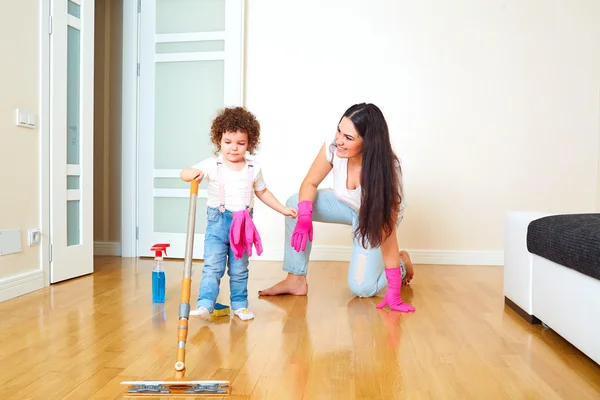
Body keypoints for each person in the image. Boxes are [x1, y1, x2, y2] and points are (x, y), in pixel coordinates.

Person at [258, 103, 415, 313]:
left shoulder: (386, 173)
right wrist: (304, 216)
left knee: (363, 288)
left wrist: (394, 290)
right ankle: (295, 279)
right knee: (296, 204)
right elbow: (310, 183)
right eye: (339, 130)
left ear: (368, 143)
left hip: (372, 217)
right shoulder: (334, 147)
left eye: (348, 138)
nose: (339, 140)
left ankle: (403, 264)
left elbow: (388, 237)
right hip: (345, 204)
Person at [180, 106, 297, 321]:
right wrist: (191, 174)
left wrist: (283, 209)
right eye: (228, 142)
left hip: (243, 226)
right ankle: (205, 304)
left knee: (239, 268)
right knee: (212, 267)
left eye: (240, 143)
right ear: (219, 140)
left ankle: (240, 305)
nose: (234, 148)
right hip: (217, 223)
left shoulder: (253, 168)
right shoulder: (212, 165)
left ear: (250, 143)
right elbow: (184, 173)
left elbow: (262, 192)